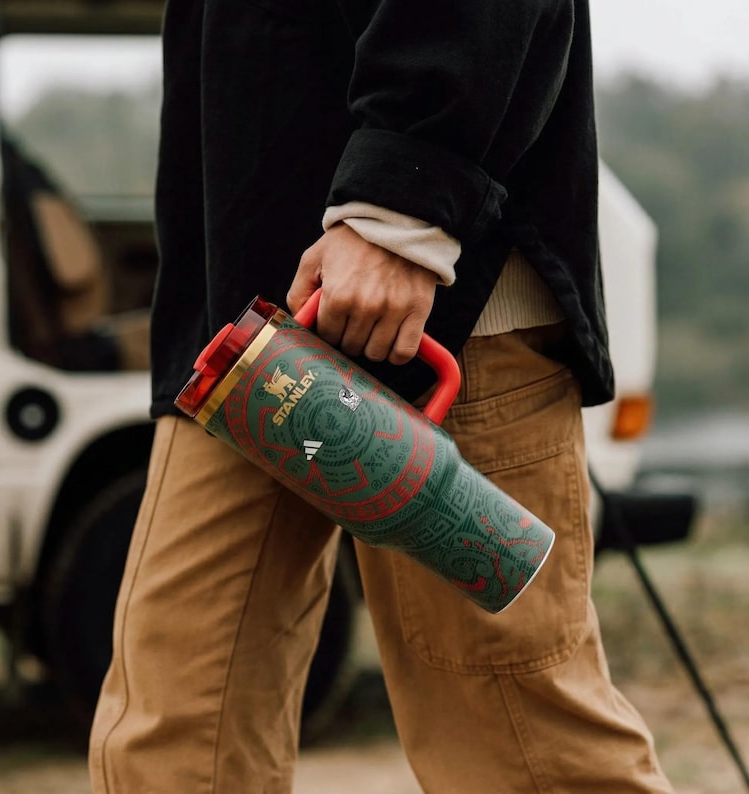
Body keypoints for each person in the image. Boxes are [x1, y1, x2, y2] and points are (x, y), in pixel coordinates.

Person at [89, 1, 674, 791]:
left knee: (518, 742)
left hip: (438, 296)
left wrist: (403, 204)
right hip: (243, 328)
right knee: (174, 734)